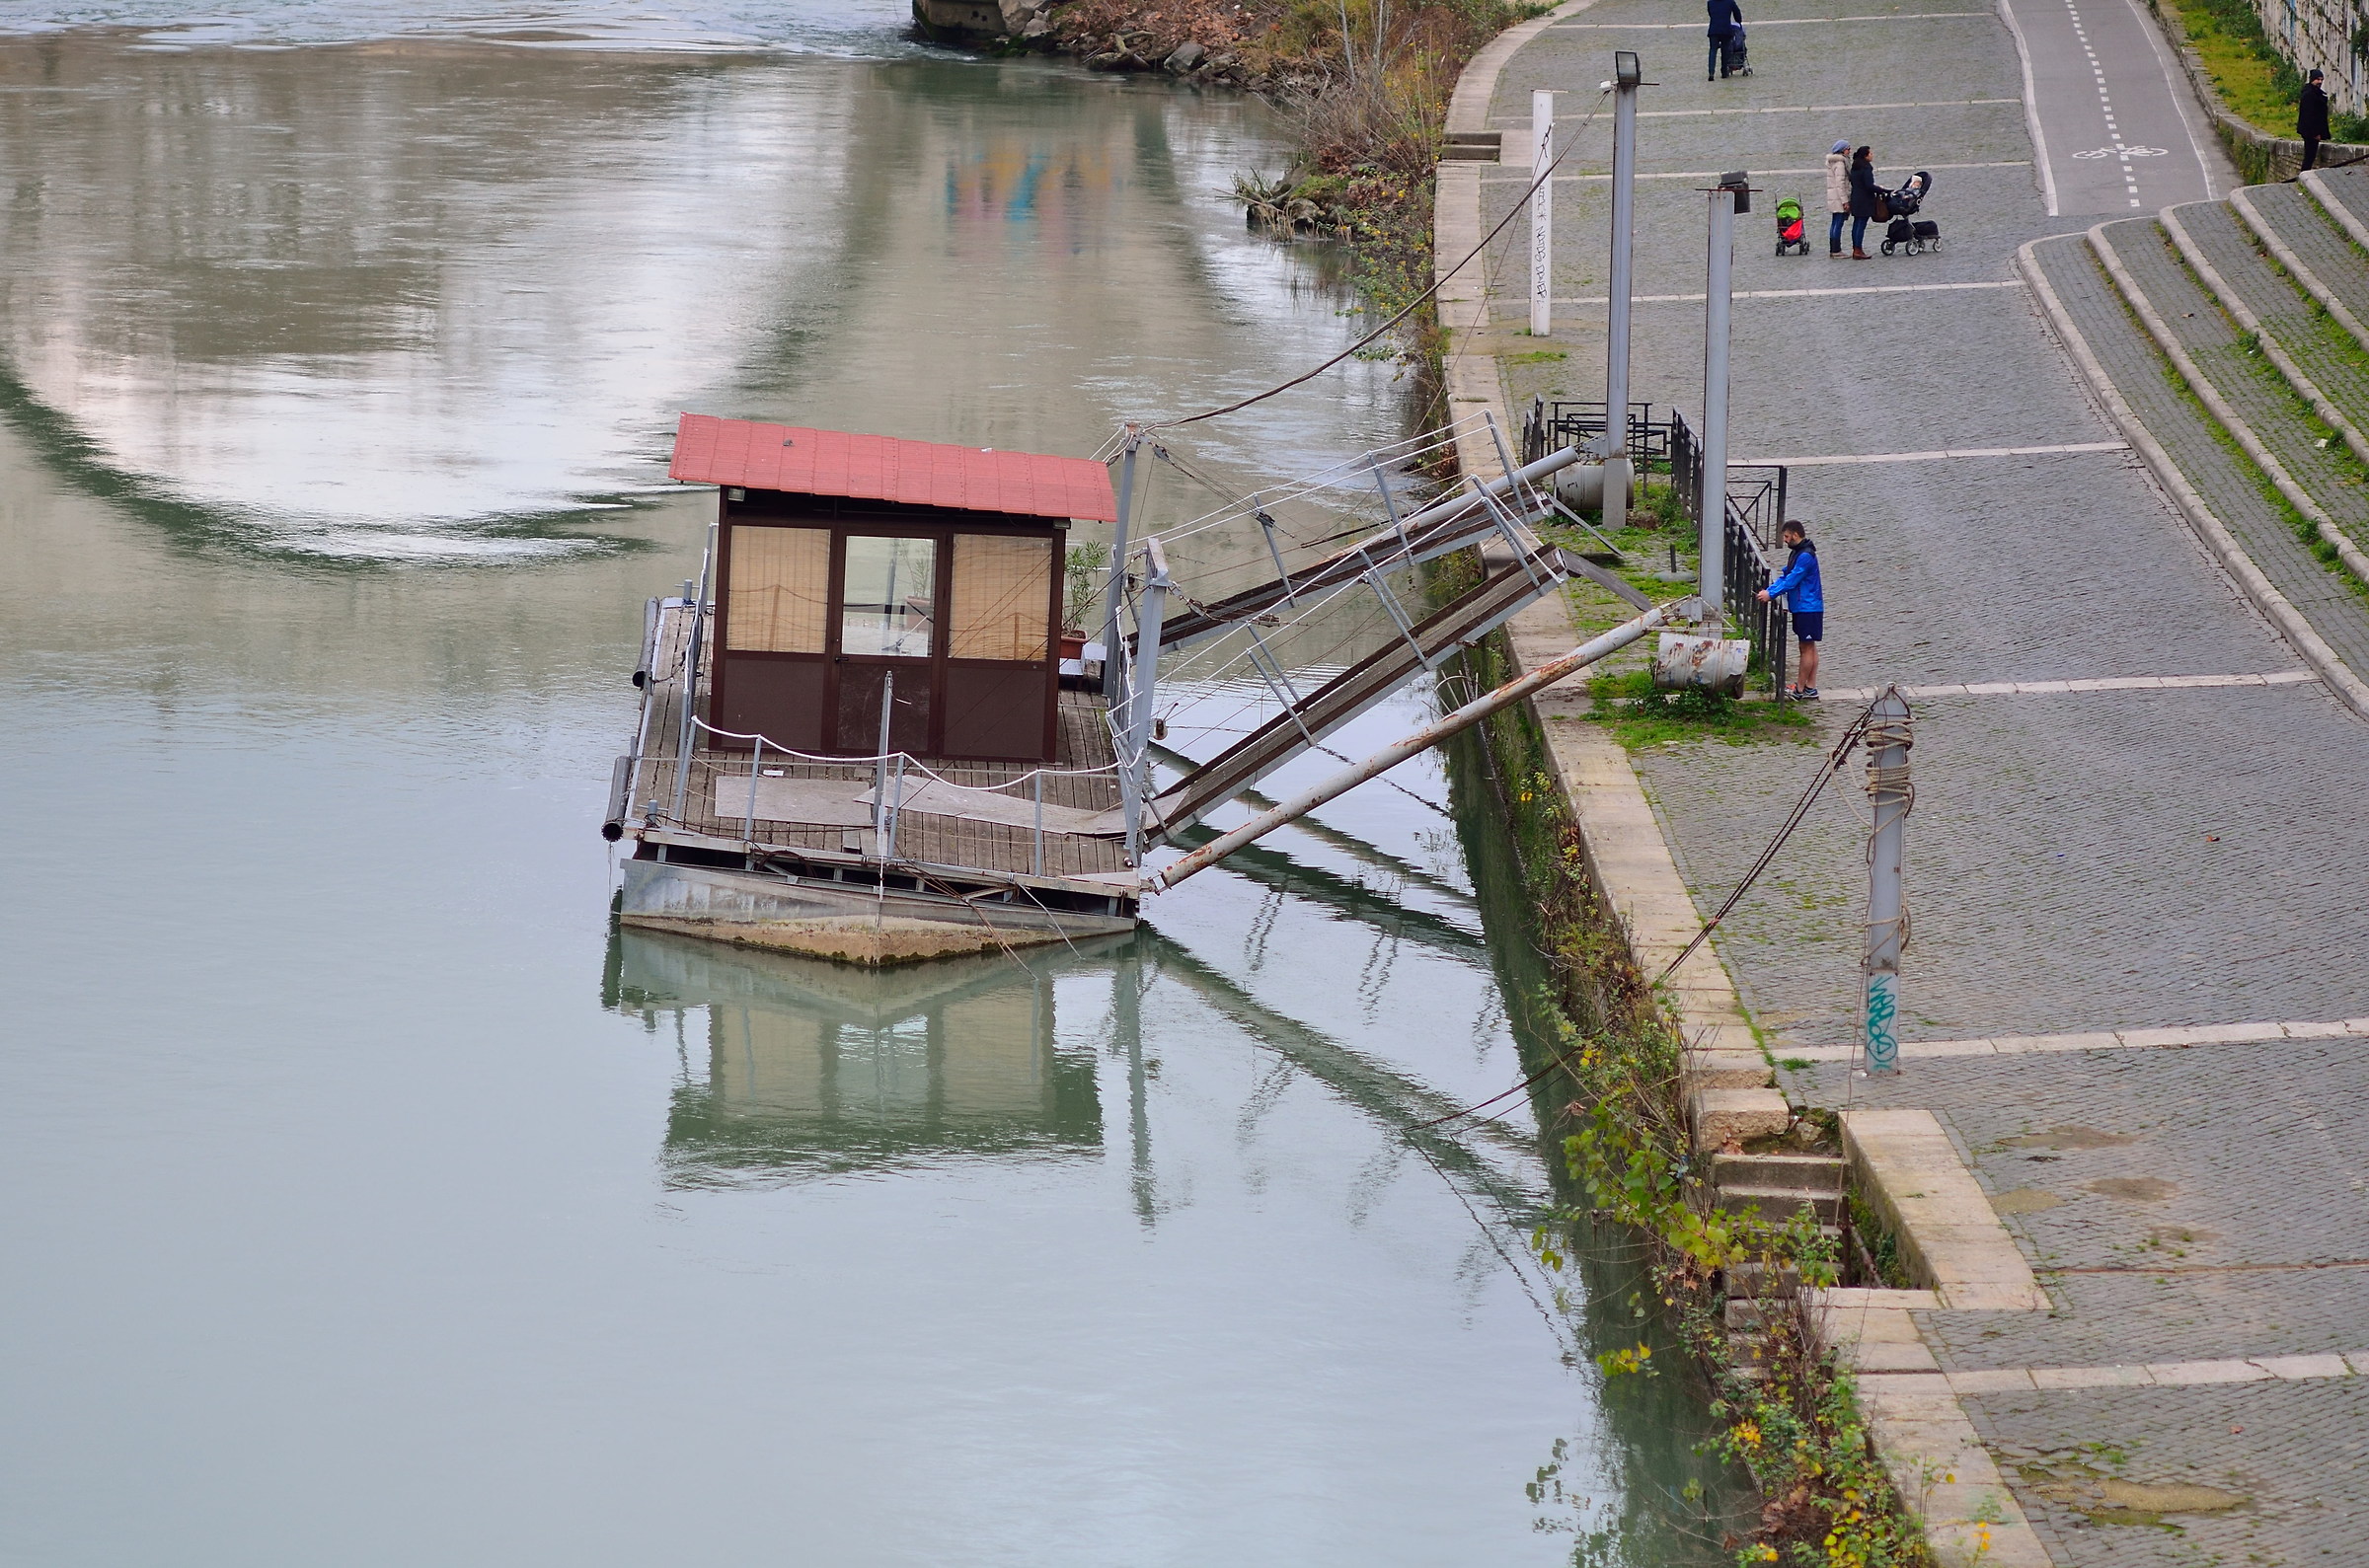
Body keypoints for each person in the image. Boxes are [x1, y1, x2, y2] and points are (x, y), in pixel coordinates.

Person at [1757, 520, 1823, 698]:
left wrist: (1771, 595)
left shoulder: (1805, 556)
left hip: (1807, 607)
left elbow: (1792, 580)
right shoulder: (1797, 553)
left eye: (1786, 536)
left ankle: (1800, 690)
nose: (1785, 540)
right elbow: (1786, 574)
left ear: (1795, 535)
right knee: (1810, 646)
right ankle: (1810, 687)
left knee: (1806, 647)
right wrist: (1770, 590)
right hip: (1806, 606)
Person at [1846, 145, 1878, 260]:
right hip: (1864, 200)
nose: (1872, 155)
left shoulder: (1855, 167)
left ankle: (1856, 248)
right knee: (1861, 225)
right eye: (1870, 153)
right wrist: (1883, 190)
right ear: (1865, 155)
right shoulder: (1866, 168)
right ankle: (1858, 250)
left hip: (1855, 198)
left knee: (1856, 225)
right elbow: (1869, 186)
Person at [2300, 67, 2331, 172]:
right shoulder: (2309, 94)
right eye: (2318, 79)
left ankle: (2304, 173)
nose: (2320, 82)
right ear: (2312, 79)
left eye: (2321, 79)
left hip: (2311, 130)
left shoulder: (2316, 93)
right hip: (2310, 131)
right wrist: (2315, 133)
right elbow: (2309, 116)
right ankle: (2304, 174)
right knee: (2309, 155)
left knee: (2310, 155)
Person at [1825, 139, 1852, 257]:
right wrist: (1845, 201)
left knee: (1834, 222)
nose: (1849, 151)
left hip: (1833, 197)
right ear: (1843, 150)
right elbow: (1840, 184)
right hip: (1839, 198)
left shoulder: (1832, 162)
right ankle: (1836, 250)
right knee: (1838, 223)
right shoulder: (1840, 164)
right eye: (1848, 149)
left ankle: (1833, 249)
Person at [1707, 0, 1742, 80]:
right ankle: (1724, 72)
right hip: (1726, 30)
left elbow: (1711, 14)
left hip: (1713, 30)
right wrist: (1739, 21)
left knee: (1713, 50)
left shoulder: (1710, 2)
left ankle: (1711, 73)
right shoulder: (1730, 2)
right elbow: (1737, 14)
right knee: (1725, 50)